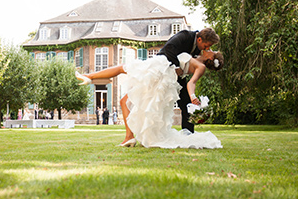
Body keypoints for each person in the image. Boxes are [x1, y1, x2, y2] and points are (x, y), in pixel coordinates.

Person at [76, 49, 224, 149]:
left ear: (211, 57)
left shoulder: (199, 65)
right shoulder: (195, 53)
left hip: (158, 76)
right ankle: (129, 137)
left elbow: (191, 83)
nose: (210, 48)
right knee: (124, 101)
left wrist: (192, 96)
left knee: (124, 68)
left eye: (212, 50)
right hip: (160, 76)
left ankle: (90, 77)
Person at [158, 28, 220, 133]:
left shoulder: (198, 51)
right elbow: (168, 48)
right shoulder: (185, 36)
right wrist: (176, 66)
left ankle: (188, 133)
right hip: (163, 70)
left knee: (186, 102)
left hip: (179, 77)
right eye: (206, 46)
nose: (207, 49)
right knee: (158, 102)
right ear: (199, 39)